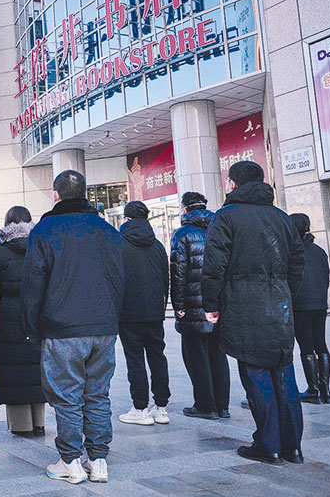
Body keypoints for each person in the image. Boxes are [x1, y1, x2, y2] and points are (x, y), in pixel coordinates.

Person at [21, 170, 124, 485]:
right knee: (97, 394)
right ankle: (99, 459)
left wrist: (30, 326)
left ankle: (71, 461)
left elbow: (33, 283)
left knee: (66, 396)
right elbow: (120, 279)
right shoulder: (107, 230)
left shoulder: (46, 229)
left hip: (63, 328)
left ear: (56, 195)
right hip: (104, 327)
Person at [202, 161, 305, 465]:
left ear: (234, 184)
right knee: (284, 372)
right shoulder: (282, 218)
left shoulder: (226, 217)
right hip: (279, 305)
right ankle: (293, 446)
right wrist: (284, 293)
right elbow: (297, 264)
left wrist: (211, 304)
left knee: (257, 373)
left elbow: (214, 266)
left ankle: (268, 444)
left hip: (243, 305)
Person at [170, 192, 230, 419]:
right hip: (218, 305)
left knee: (197, 358)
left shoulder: (182, 234)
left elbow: (178, 273)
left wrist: (178, 305)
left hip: (193, 306)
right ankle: (222, 406)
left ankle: (205, 406)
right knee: (218, 354)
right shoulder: (219, 229)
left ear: (185, 209)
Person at [117, 201, 171, 426]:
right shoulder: (157, 245)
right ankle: (161, 408)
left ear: (126, 219)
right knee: (158, 357)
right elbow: (166, 278)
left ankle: (140, 408)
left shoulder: (119, 244)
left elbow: (116, 279)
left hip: (129, 313)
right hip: (154, 313)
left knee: (135, 359)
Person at [0, 206, 46, 438]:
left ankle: (21, 424)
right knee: (35, 368)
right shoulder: (40, 247)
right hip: (37, 314)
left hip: (9, 318)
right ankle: (39, 422)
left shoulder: (1, 251)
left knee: (14, 370)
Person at [289, 213, 330, 405]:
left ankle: (313, 389)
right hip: (319, 304)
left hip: (301, 305)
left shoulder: (291, 251)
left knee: (306, 346)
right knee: (320, 344)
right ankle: (326, 390)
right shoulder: (319, 250)